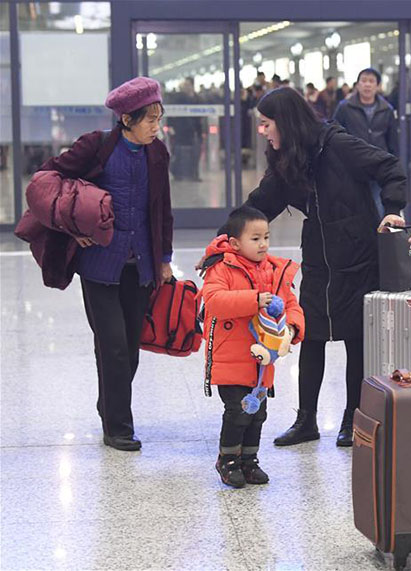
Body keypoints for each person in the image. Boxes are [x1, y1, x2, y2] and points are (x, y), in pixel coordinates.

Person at [241, 87, 406, 447]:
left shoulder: (338, 145)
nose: (263, 132)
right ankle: (306, 421)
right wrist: (229, 239)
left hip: (358, 256)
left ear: (284, 121)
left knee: (354, 339)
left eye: (267, 124)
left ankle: (352, 418)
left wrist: (393, 207)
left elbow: (389, 166)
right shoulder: (290, 158)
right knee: (310, 337)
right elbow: (261, 203)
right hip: (318, 257)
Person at [38, 76, 174, 451]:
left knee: (129, 349)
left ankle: (109, 405)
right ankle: (118, 427)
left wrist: (164, 259)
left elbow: (163, 207)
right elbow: (51, 179)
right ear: (127, 119)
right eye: (149, 119)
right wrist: (70, 226)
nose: (155, 127)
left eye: (159, 118)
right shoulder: (96, 146)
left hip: (140, 264)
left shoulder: (157, 153)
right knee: (112, 345)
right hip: (100, 265)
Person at [201, 206, 305, 488]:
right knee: (237, 412)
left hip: (262, 363)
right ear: (235, 243)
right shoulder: (221, 269)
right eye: (255, 239)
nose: (263, 245)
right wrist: (254, 299)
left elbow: (292, 305)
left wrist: (292, 329)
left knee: (258, 413)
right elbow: (214, 302)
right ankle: (228, 460)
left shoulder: (274, 270)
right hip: (231, 358)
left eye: (266, 238)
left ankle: (249, 460)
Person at [333, 67, 399, 218]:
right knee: (353, 212)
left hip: (378, 168)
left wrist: (393, 167)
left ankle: (379, 241)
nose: (367, 85)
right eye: (363, 81)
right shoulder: (345, 107)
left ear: (378, 86)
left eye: (371, 81)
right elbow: (334, 134)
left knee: (378, 209)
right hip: (352, 169)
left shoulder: (386, 110)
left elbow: (393, 141)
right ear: (357, 85)